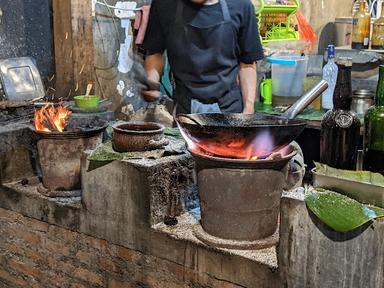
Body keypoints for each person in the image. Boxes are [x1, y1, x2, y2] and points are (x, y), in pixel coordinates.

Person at [141, 0, 264, 114]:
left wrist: (248, 110)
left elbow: (247, 63)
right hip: (185, 110)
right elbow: (154, 53)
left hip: (229, 110)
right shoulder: (164, 5)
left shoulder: (241, 5)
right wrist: (151, 82)